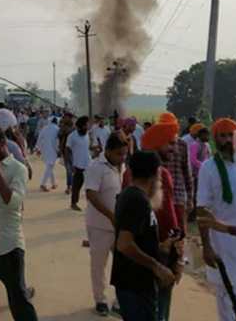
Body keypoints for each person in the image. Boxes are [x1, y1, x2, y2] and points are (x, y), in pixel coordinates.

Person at [0, 127, 38, 321]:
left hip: (9, 245)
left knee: (18, 299)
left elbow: (12, 203)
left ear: (3, 144)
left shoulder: (17, 169)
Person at [110, 151, 177, 321]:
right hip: (134, 285)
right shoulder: (136, 200)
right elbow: (124, 244)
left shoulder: (133, 196)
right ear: (156, 173)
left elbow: (129, 239)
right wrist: (156, 266)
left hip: (137, 283)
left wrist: (162, 246)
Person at [197, 118, 236, 321]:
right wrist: (206, 246)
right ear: (215, 139)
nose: (227, 140)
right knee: (228, 298)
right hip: (222, 244)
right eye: (222, 136)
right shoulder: (209, 168)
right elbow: (202, 208)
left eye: (230, 136)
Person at [84, 133, 128, 316]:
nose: (122, 158)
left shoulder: (122, 166)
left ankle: (120, 300)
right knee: (99, 265)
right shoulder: (96, 167)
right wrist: (110, 215)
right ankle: (100, 300)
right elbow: (91, 195)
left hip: (119, 226)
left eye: (124, 154)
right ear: (108, 151)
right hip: (100, 225)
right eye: (119, 154)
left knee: (122, 265)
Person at [158, 113, 194, 232]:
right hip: (159, 196)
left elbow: (187, 173)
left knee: (179, 232)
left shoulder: (182, 144)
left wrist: (189, 198)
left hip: (178, 196)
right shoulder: (156, 144)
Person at [66, 116, 91, 211]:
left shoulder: (87, 134)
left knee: (90, 185)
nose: (87, 127)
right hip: (77, 165)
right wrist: (70, 164)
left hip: (88, 163)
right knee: (77, 186)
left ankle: (91, 204)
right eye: (86, 125)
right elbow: (67, 150)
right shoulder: (72, 136)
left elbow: (86, 148)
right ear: (81, 127)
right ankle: (73, 203)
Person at [36, 116, 60, 192]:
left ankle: (53, 183)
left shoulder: (45, 128)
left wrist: (38, 148)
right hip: (53, 150)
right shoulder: (57, 129)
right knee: (50, 166)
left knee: (50, 166)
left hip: (44, 149)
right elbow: (57, 141)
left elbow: (39, 138)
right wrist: (58, 150)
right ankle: (43, 184)